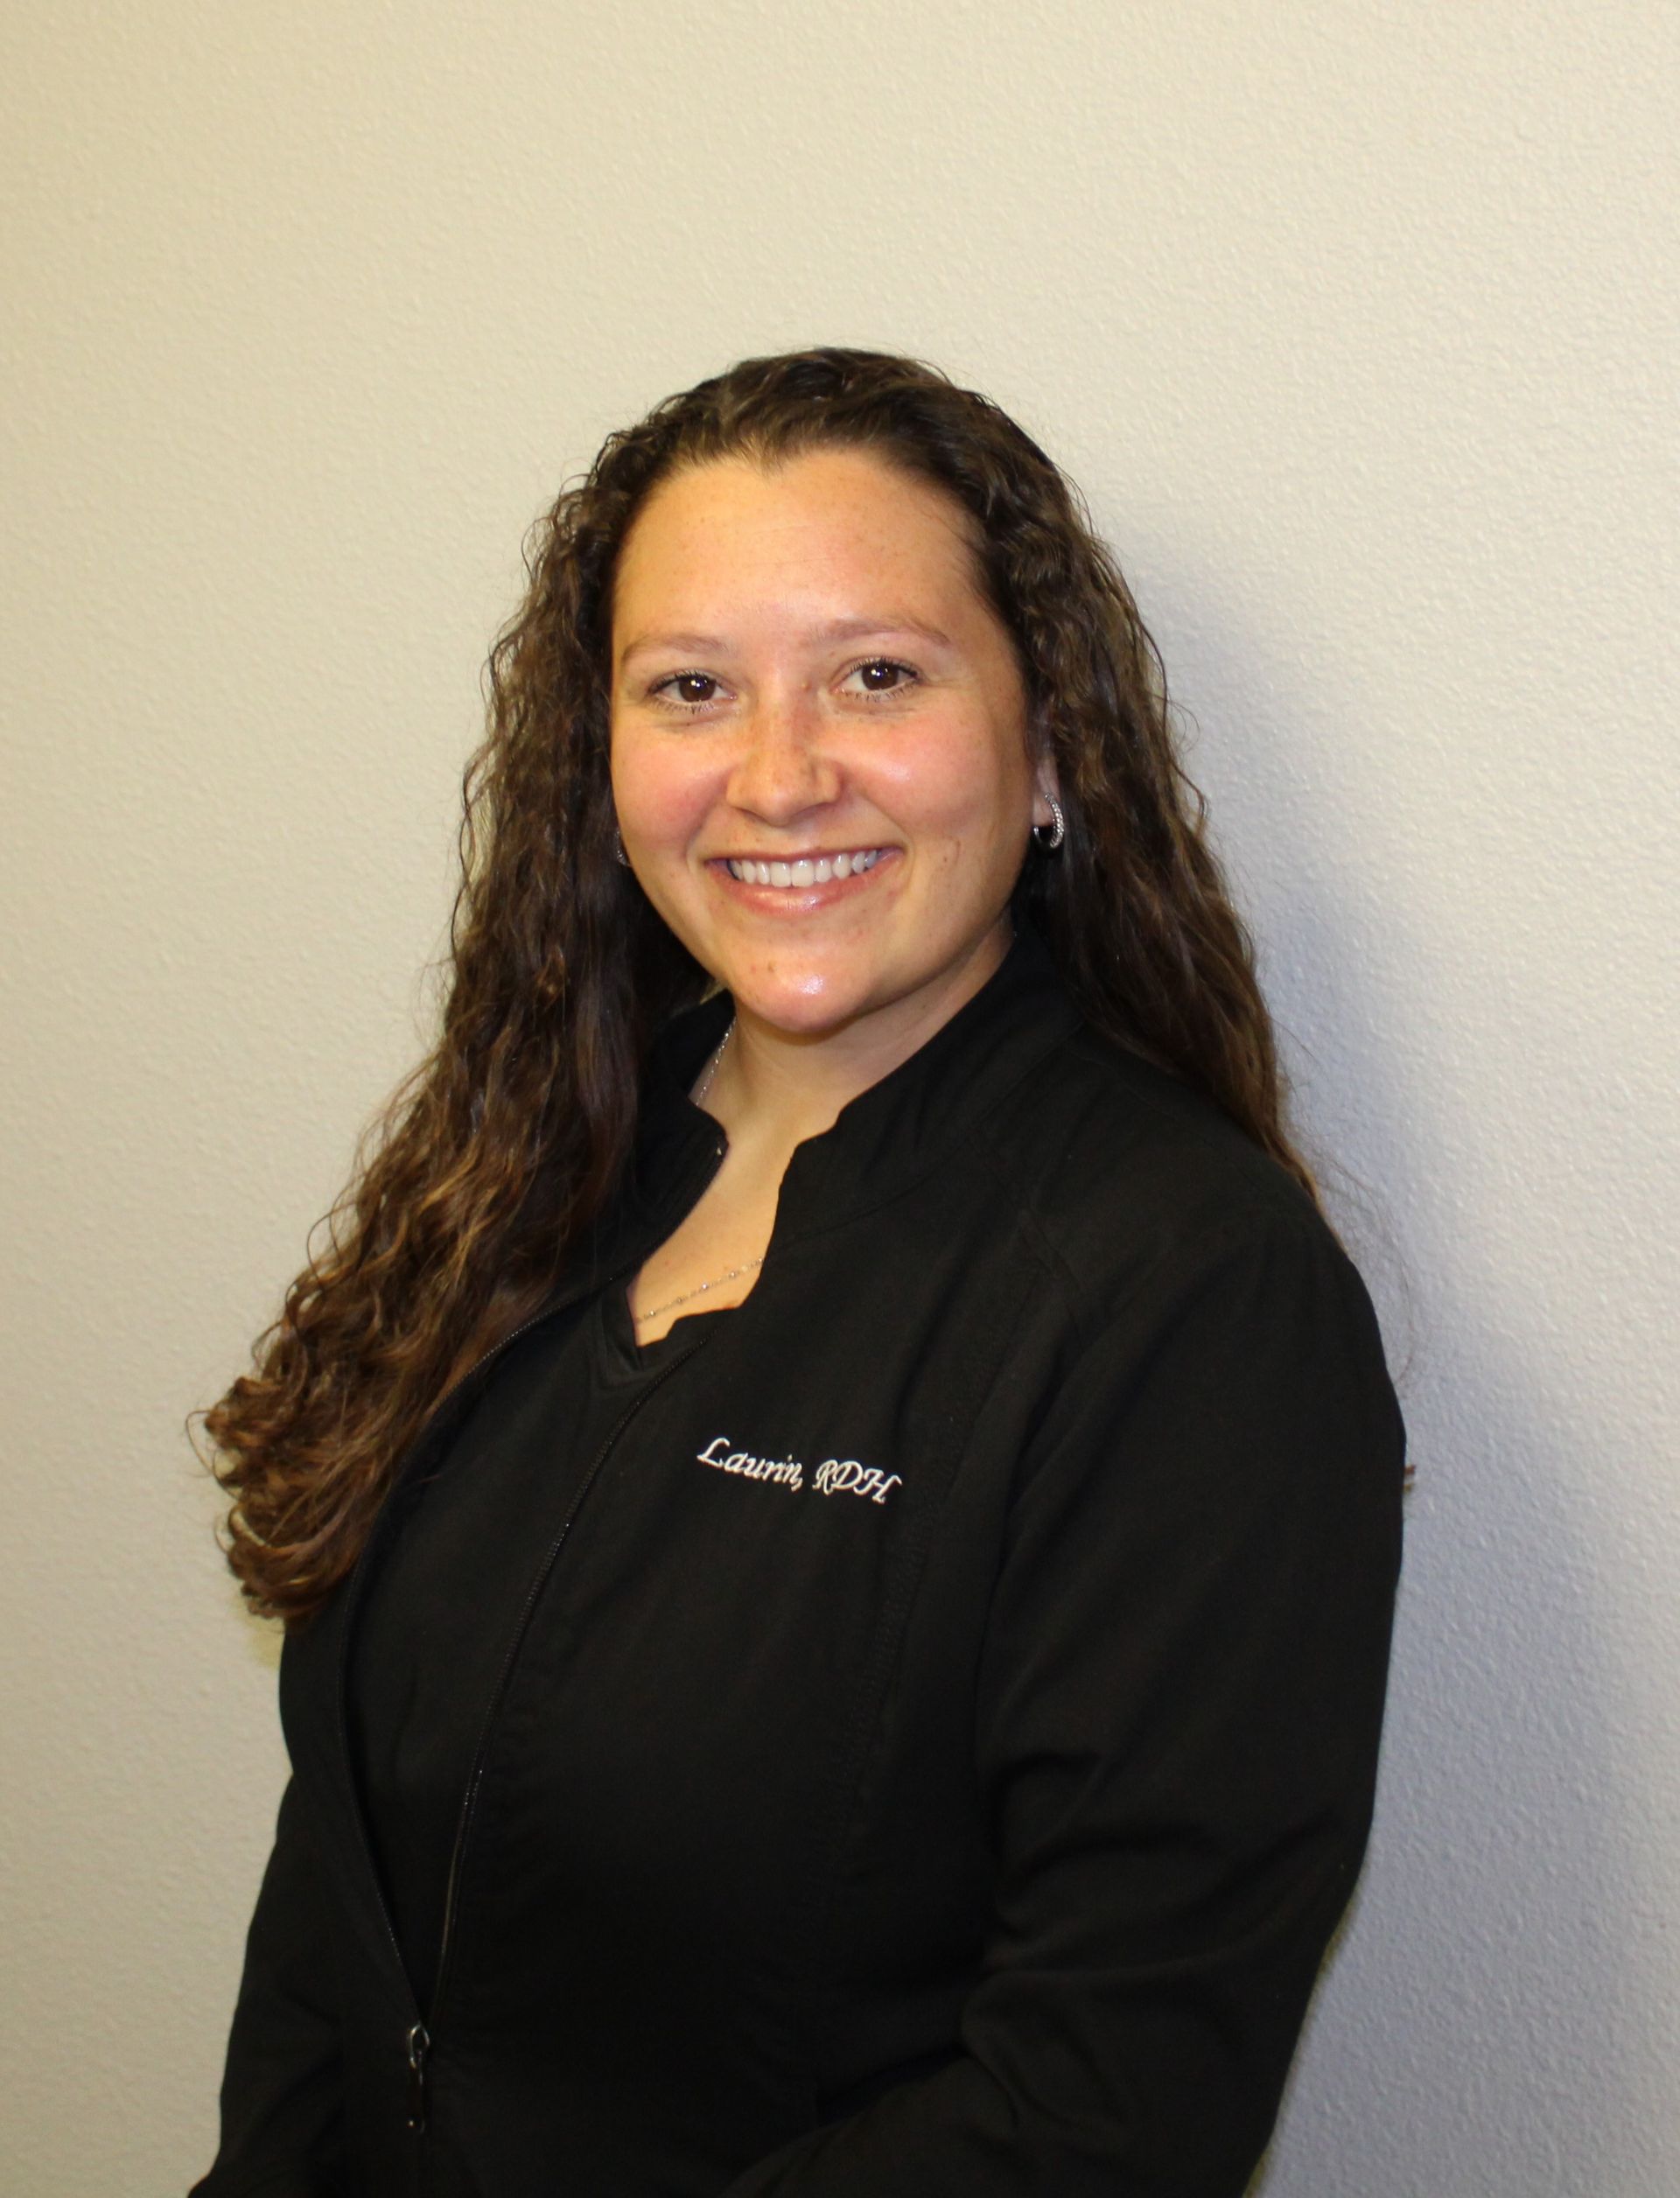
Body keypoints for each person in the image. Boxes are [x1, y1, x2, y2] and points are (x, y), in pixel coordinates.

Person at [191, 346, 1404, 2198]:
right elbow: (346, 1876)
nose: (777, 773)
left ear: (1050, 739)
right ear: (602, 760)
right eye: (692, 687)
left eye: (877, 674)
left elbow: (1102, 2115)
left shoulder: (1187, 1296)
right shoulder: (518, 1180)